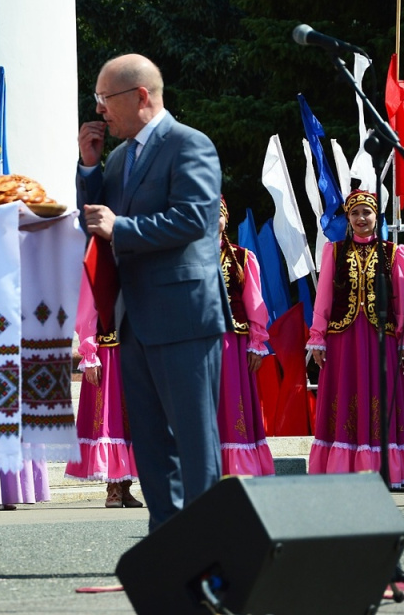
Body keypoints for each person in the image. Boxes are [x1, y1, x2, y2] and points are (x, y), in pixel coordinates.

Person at [76, 53, 229, 532]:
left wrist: (121, 227)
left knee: (194, 439)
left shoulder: (189, 145)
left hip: (184, 315)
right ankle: (168, 538)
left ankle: (209, 541)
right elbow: (95, 220)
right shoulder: (120, 157)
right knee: (148, 439)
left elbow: (193, 219)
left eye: (106, 99)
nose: (100, 110)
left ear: (141, 96)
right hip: (135, 317)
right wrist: (88, 167)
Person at [307, 189, 404, 486]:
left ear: (376, 216)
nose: (361, 218)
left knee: (379, 397)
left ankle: (381, 469)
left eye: (366, 213)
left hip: (380, 340)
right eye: (355, 213)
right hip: (342, 340)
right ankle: (343, 468)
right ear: (348, 218)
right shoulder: (333, 251)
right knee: (344, 396)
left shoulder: (394, 252)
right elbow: (322, 299)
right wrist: (318, 337)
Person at [64, 267, 142, 508]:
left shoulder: (146, 255)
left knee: (135, 419)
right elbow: (87, 311)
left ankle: (126, 485)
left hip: (140, 350)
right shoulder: (98, 265)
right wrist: (89, 353)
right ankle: (113, 486)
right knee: (109, 418)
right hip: (109, 350)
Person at [216, 199, 275, 477]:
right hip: (199, 343)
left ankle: (238, 466)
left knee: (232, 401)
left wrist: (256, 343)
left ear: (226, 219)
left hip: (232, 343)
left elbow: (255, 303)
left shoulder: (242, 257)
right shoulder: (186, 256)